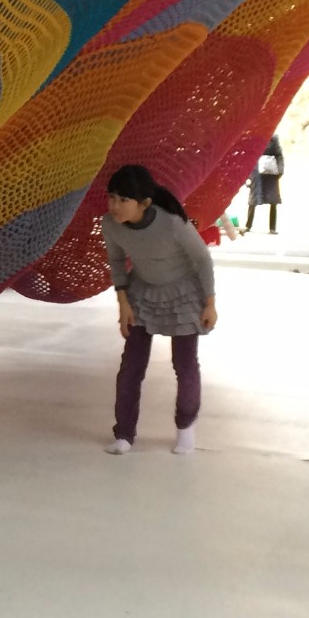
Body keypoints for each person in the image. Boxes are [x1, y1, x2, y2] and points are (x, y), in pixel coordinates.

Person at [100, 164, 218, 455]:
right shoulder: (110, 224)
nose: (115, 205)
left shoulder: (172, 223)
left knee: (184, 364)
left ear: (144, 203)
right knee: (131, 366)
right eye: (112, 197)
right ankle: (124, 434)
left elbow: (202, 259)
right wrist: (123, 304)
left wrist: (210, 303)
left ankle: (185, 428)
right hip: (142, 291)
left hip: (184, 293)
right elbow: (116, 262)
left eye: (123, 199)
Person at [245, 133, 283, 235]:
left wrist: (279, 171)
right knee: (253, 200)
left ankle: (272, 228)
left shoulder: (274, 138)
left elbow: (279, 155)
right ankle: (248, 225)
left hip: (271, 173)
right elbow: (249, 155)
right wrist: (248, 175)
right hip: (256, 172)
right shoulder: (254, 136)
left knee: (273, 201)